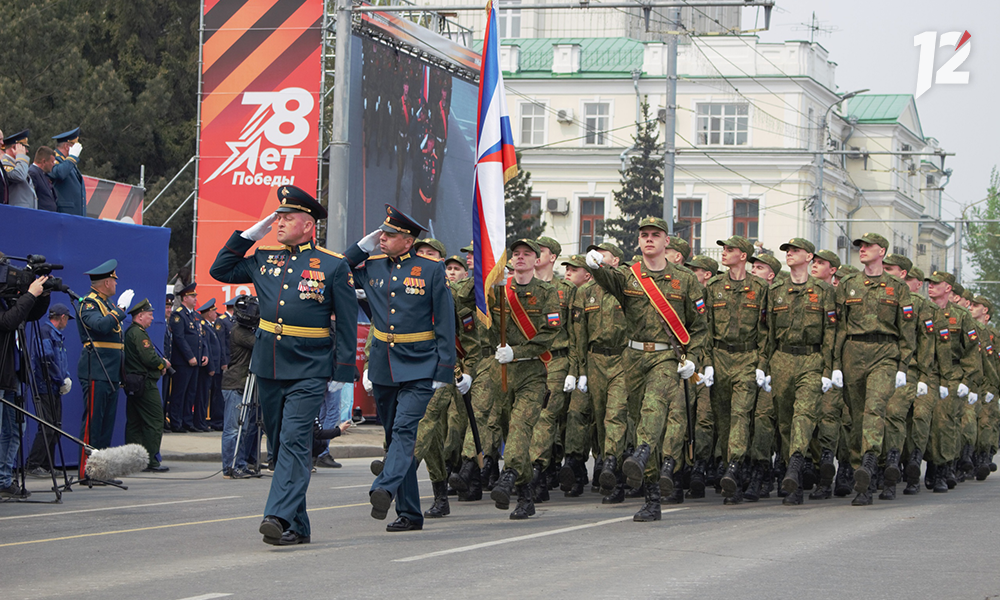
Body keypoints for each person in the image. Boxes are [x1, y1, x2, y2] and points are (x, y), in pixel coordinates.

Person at [211, 185, 357, 546]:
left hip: (310, 366)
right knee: (279, 446)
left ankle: (276, 515)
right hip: (269, 365)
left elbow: (348, 321)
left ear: (308, 225)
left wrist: (341, 371)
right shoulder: (265, 258)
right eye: (277, 217)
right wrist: (249, 236)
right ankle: (299, 526)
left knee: (294, 440)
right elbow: (221, 269)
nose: (278, 222)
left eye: (287, 218)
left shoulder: (332, 264)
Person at [585, 217, 707, 522]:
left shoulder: (684, 279)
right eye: (644, 235)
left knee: (654, 407)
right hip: (634, 358)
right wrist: (595, 265)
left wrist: (693, 358)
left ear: (667, 241)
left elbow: (700, 326)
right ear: (638, 241)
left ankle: (639, 453)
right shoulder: (629, 276)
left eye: (656, 235)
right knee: (641, 419)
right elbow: (605, 279)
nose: (649, 239)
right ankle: (652, 496)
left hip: (666, 358)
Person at [346, 204, 455, 530]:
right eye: (382, 233)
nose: (383, 238)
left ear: (407, 241)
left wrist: (444, 369)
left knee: (405, 431)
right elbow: (337, 268)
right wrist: (361, 248)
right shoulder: (373, 266)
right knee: (395, 437)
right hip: (383, 366)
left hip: (420, 364)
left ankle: (384, 487)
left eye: (389, 235)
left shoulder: (432, 270)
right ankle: (409, 513)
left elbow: (446, 322)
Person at [832, 233, 915, 506]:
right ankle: (863, 475)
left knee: (874, 409)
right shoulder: (848, 285)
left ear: (882, 251)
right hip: (852, 353)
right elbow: (838, 328)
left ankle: (869, 461)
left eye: (868, 246)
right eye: (860, 247)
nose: (862, 250)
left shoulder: (897, 287)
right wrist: (835, 364)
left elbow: (907, 330)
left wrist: (903, 364)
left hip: (885, 353)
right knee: (856, 417)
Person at [762, 238, 835, 506]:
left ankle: (794, 466)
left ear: (809, 256)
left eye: (795, 251)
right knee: (784, 421)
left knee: (803, 415)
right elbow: (767, 332)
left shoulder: (824, 291)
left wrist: (829, 368)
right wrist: (765, 366)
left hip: (811, 358)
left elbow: (830, 333)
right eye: (787, 251)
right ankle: (794, 473)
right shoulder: (776, 291)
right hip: (781, 358)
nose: (790, 254)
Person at [704, 235, 769, 505]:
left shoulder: (760, 288)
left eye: (730, 250)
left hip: (747, 356)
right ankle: (736, 472)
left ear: (743, 255)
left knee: (740, 415)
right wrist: (706, 361)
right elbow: (704, 327)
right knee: (723, 419)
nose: (725, 253)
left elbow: (766, 331)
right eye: (724, 249)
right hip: (719, 357)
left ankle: (734, 467)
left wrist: (762, 365)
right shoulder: (714, 286)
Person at [528, 236, 578, 501]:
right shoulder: (522, 287)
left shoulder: (566, 289)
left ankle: (536, 471)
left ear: (552, 257)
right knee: (529, 418)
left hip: (557, 360)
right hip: (527, 361)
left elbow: (576, 331)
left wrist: (575, 367)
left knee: (546, 417)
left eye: (541, 251)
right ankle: (544, 468)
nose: (535, 254)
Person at [76, 259, 133, 480]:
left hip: (110, 372)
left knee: (106, 424)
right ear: (107, 282)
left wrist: (116, 310)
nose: (116, 285)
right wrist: (120, 310)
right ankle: (87, 471)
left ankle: (102, 471)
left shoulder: (107, 305)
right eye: (114, 281)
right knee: (93, 423)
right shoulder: (88, 304)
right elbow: (100, 326)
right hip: (96, 370)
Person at [0, 265, 50, 498]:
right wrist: (30, 294)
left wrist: (42, 292)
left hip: (12, 375)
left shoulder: (7, 299)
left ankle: (4, 479)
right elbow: (8, 322)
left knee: (14, 430)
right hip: (2, 376)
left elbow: (30, 314)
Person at [682, 254, 719, 498]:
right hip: (686, 364)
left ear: (707, 275)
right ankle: (683, 465)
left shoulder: (715, 298)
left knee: (704, 418)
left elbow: (714, 334)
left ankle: (700, 466)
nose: (690, 274)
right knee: (684, 416)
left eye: (695, 270)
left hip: (707, 365)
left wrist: (710, 364)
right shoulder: (686, 298)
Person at [25, 303, 73, 478]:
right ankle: (33, 464)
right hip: (46, 386)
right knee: (47, 426)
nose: (67, 323)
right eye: (67, 319)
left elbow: (57, 361)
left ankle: (47, 465)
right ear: (62, 317)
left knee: (55, 426)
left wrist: (64, 377)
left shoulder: (54, 334)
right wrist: (61, 379)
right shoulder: (46, 332)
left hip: (53, 386)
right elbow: (46, 359)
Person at [123, 299, 170, 473]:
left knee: (134, 423)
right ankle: (151, 460)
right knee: (155, 421)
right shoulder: (139, 334)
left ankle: (133, 460)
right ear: (140, 316)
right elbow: (149, 357)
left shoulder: (132, 332)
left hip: (134, 383)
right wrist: (162, 365)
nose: (152, 318)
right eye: (149, 315)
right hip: (145, 383)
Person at [220, 295, 258, 478]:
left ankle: (240, 464)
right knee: (233, 429)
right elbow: (260, 344)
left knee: (243, 429)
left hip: (243, 384)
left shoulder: (245, 330)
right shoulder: (239, 332)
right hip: (236, 384)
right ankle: (230, 466)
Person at [167, 283, 205, 433]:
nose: (195, 299)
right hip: (183, 361)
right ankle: (176, 422)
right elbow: (179, 338)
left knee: (191, 393)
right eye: (192, 296)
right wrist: (190, 356)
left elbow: (200, 338)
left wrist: (202, 355)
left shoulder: (194, 315)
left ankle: (187, 421)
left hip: (195, 360)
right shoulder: (179, 314)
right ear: (185, 298)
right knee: (180, 392)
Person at [194, 299, 221, 432]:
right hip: (207, 368)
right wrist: (210, 367)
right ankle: (200, 421)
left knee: (206, 396)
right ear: (208, 313)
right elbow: (207, 349)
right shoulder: (204, 326)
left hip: (213, 368)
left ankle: (202, 421)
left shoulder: (209, 326)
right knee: (202, 396)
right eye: (213, 311)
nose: (216, 313)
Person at [50, 128, 86, 217]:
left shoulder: (68, 162)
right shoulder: (54, 159)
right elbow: (60, 173)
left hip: (73, 214)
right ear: (67, 146)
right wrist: (72, 157)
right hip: (63, 213)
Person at [2, 130, 36, 209]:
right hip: (15, 211)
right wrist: (20, 156)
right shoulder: (5, 164)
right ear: (14, 148)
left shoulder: (18, 164)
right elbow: (19, 176)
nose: (26, 151)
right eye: (24, 147)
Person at [28, 146, 58, 212]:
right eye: (52, 162)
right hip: (40, 215)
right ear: (44, 161)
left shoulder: (43, 174)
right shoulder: (33, 173)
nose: (53, 165)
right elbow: (32, 198)